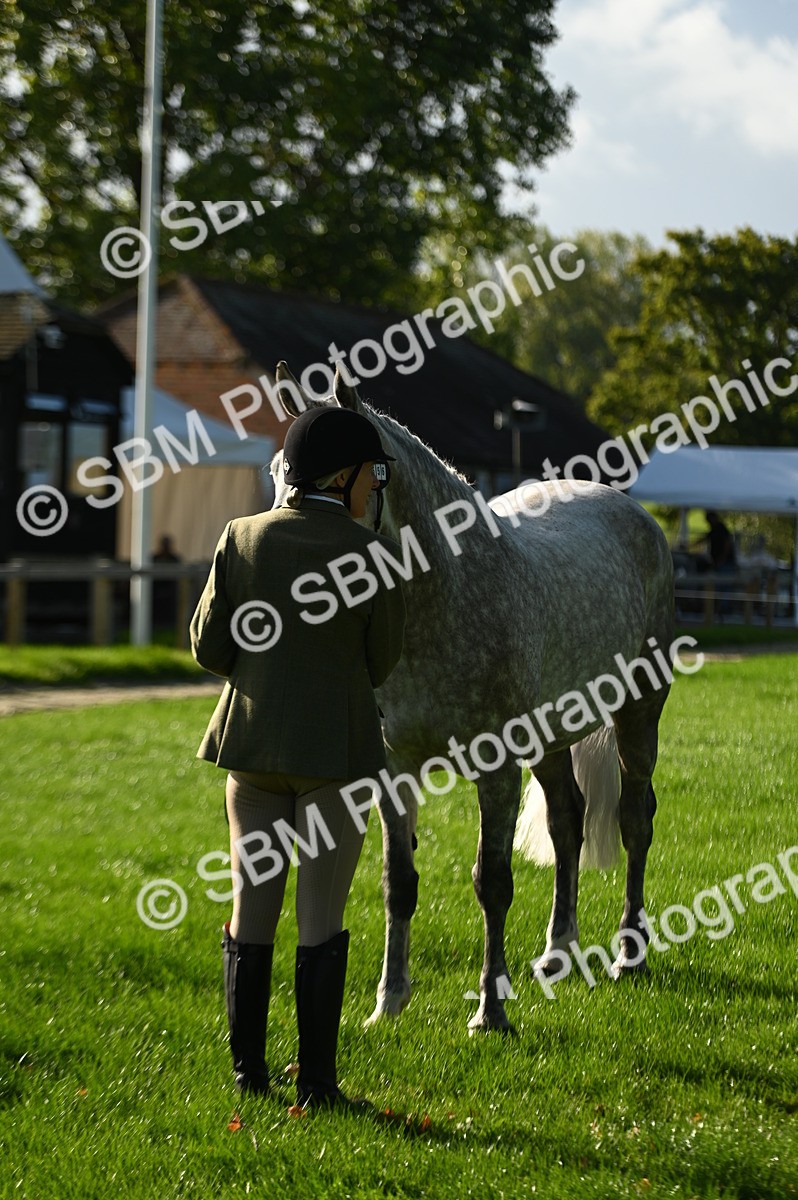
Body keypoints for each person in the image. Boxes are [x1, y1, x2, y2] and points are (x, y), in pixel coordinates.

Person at [190, 407, 406, 1110]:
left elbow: (208, 647)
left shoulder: (241, 536)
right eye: (372, 476)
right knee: (321, 920)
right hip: (333, 759)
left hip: (250, 751)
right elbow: (380, 664)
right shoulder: (374, 556)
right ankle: (316, 1084)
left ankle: (247, 1075)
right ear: (342, 477)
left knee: (252, 912)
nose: (375, 489)